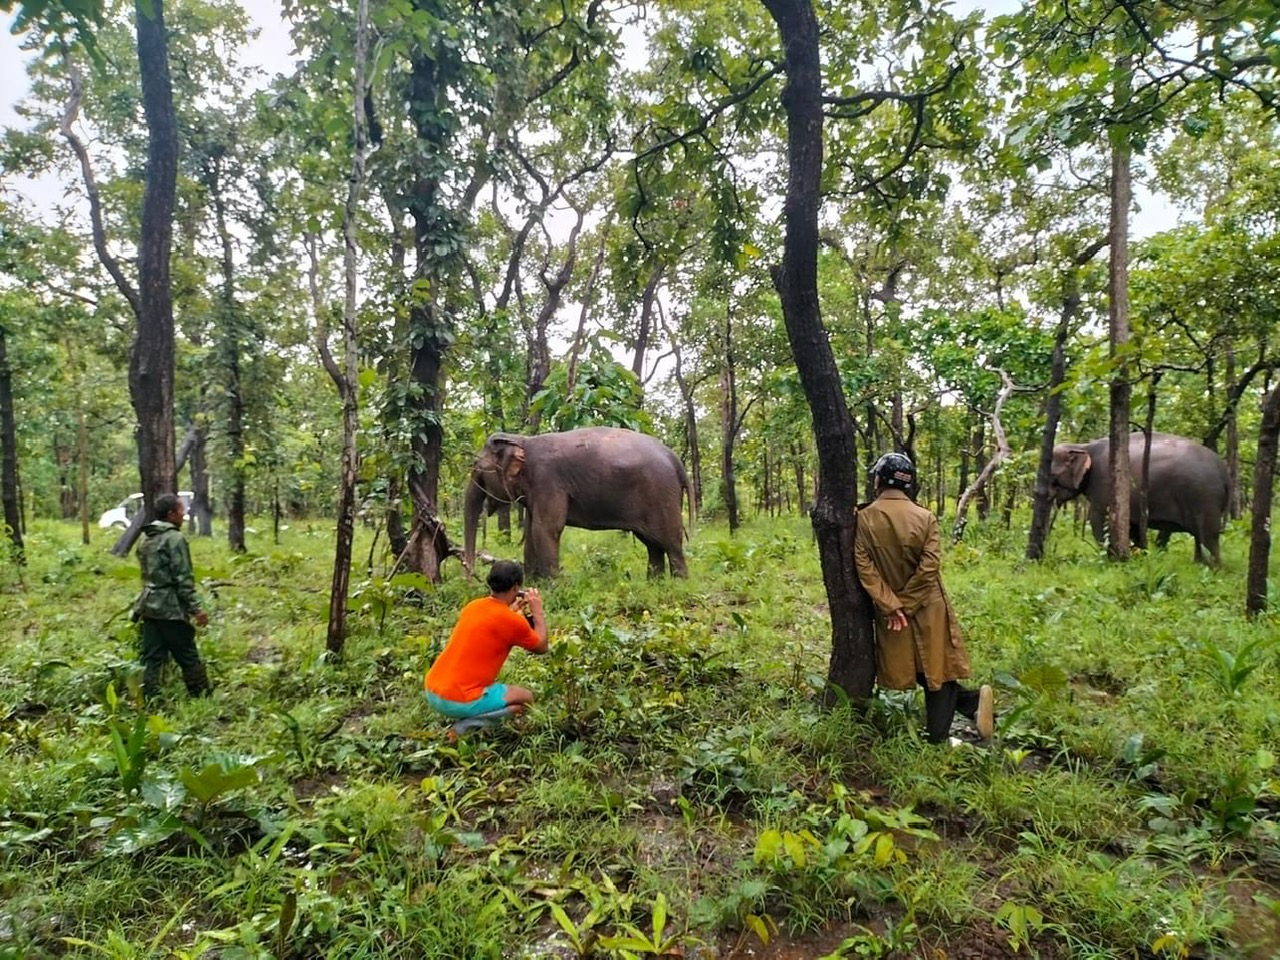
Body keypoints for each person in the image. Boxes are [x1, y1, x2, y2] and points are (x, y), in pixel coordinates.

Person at [854, 453, 994, 744]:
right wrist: (908, 602)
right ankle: (965, 710)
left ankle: (945, 732)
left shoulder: (863, 518)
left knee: (919, 668)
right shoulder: (926, 517)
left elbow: (864, 567)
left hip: (891, 611)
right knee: (935, 667)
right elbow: (930, 566)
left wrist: (892, 605)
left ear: (878, 479)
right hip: (929, 604)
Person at [424, 560, 549, 722]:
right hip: (457, 700)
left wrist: (512, 610)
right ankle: (468, 727)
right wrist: (537, 612)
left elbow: (494, 620)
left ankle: (470, 714)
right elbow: (542, 647)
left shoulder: (473, 606)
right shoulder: (512, 622)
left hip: (432, 689)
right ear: (516, 588)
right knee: (526, 699)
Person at [134, 493, 211, 699]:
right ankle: (201, 697)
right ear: (170, 514)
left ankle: (149, 699)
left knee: (151, 658)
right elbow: (183, 578)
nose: (183, 515)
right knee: (187, 654)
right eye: (180, 510)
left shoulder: (146, 538)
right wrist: (196, 609)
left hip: (148, 605)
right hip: (170, 608)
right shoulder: (174, 539)